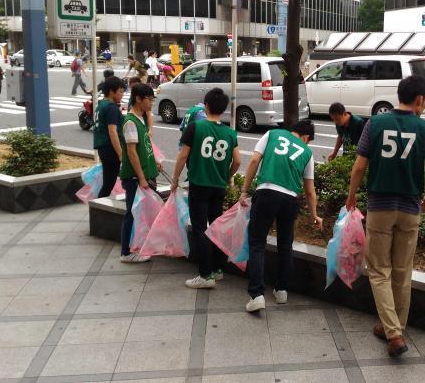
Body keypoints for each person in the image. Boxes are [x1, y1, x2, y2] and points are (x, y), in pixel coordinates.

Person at [345, 75, 425, 357]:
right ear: (420, 100)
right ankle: (394, 327)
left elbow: (359, 167)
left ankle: (393, 332)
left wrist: (352, 196)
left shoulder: (374, 124)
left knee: (378, 270)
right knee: (402, 271)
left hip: (380, 206)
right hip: (410, 209)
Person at [240, 119, 322, 312]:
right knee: (285, 244)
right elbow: (310, 191)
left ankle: (257, 294)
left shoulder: (272, 134)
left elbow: (253, 160)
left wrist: (244, 190)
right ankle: (282, 290)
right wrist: (314, 215)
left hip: (266, 192)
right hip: (290, 200)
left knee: (257, 243)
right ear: (306, 137)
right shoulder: (307, 152)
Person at [170, 88, 242, 289]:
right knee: (216, 226)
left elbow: (183, 155)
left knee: (201, 228)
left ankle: (205, 274)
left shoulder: (195, 127)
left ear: (206, 105)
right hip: (218, 187)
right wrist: (226, 177)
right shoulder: (230, 132)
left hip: (199, 184)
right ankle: (218, 269)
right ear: (223, 109)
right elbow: (237, 161)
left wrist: (175, 179)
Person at [118, 83, 162, 263]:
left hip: (145, 174)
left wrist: (154, 162)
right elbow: (131, 152)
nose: (151, 103)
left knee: (142, 212)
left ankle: (140, 245)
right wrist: (142, 178)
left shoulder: (141, 118)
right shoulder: (130, 122)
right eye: (149, 100)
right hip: (135, 178)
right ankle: (126, 253)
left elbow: (144, 147)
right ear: (138, 99)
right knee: (131, 213)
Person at [94, 77, 125, 197]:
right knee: (109, 183)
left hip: (103, 147)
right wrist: (121, 154)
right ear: (112, 91)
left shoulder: (101, 104)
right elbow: (112, 132)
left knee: (108, 181)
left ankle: (99, 206)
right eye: (121, 91)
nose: (122, 94)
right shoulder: (111, 108)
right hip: (110, 148)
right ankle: (99, 208)